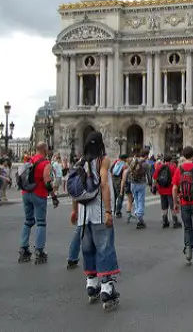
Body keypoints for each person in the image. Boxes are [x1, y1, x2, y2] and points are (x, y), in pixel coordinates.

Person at [69, 131, 120, 309]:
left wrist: (74, 210)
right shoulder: (102, 161)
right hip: (98, 212)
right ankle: (107, 287)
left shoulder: (79, 163)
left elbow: (75, 189)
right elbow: (104, 184)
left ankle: (91, 284)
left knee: (88, 249)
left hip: (84, 215)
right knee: (104, 248)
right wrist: (108, 211)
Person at [18, 142, 54, 263]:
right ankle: (39, 250)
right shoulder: (46, 163)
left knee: (28, 221)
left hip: (26, 193)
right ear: (45, 150)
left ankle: (23, 248)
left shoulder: (29, 161)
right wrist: (53, 196)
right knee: (41, 222)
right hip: (39, 193)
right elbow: (47, 180)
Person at [172, 146, 193, 265]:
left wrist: (175, 202)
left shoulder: (179, 169)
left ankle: (188, 250)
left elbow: (175, 187)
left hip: (184, 202)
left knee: (187, 227)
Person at [154, 156, 181, 229]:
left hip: (162, 189)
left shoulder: (159, 167)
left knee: (164, 206)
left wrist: (155, 187)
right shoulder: (173, 167)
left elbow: (155, 177)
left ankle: (165, 221)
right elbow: (178, 178)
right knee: (172, 205)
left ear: (164, 160)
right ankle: (175, 221)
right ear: (171, 160)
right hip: (170, 189)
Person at [128, 149, 151, 229]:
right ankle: (140, 219)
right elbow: (148, 175)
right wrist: (150, 184)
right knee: (141, 200)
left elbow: (129, 171)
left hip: (133, 183)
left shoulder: (133, 161)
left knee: (136, 200)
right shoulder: (146, 164)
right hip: (141, 183)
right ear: (146, 155)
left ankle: (137, 214)